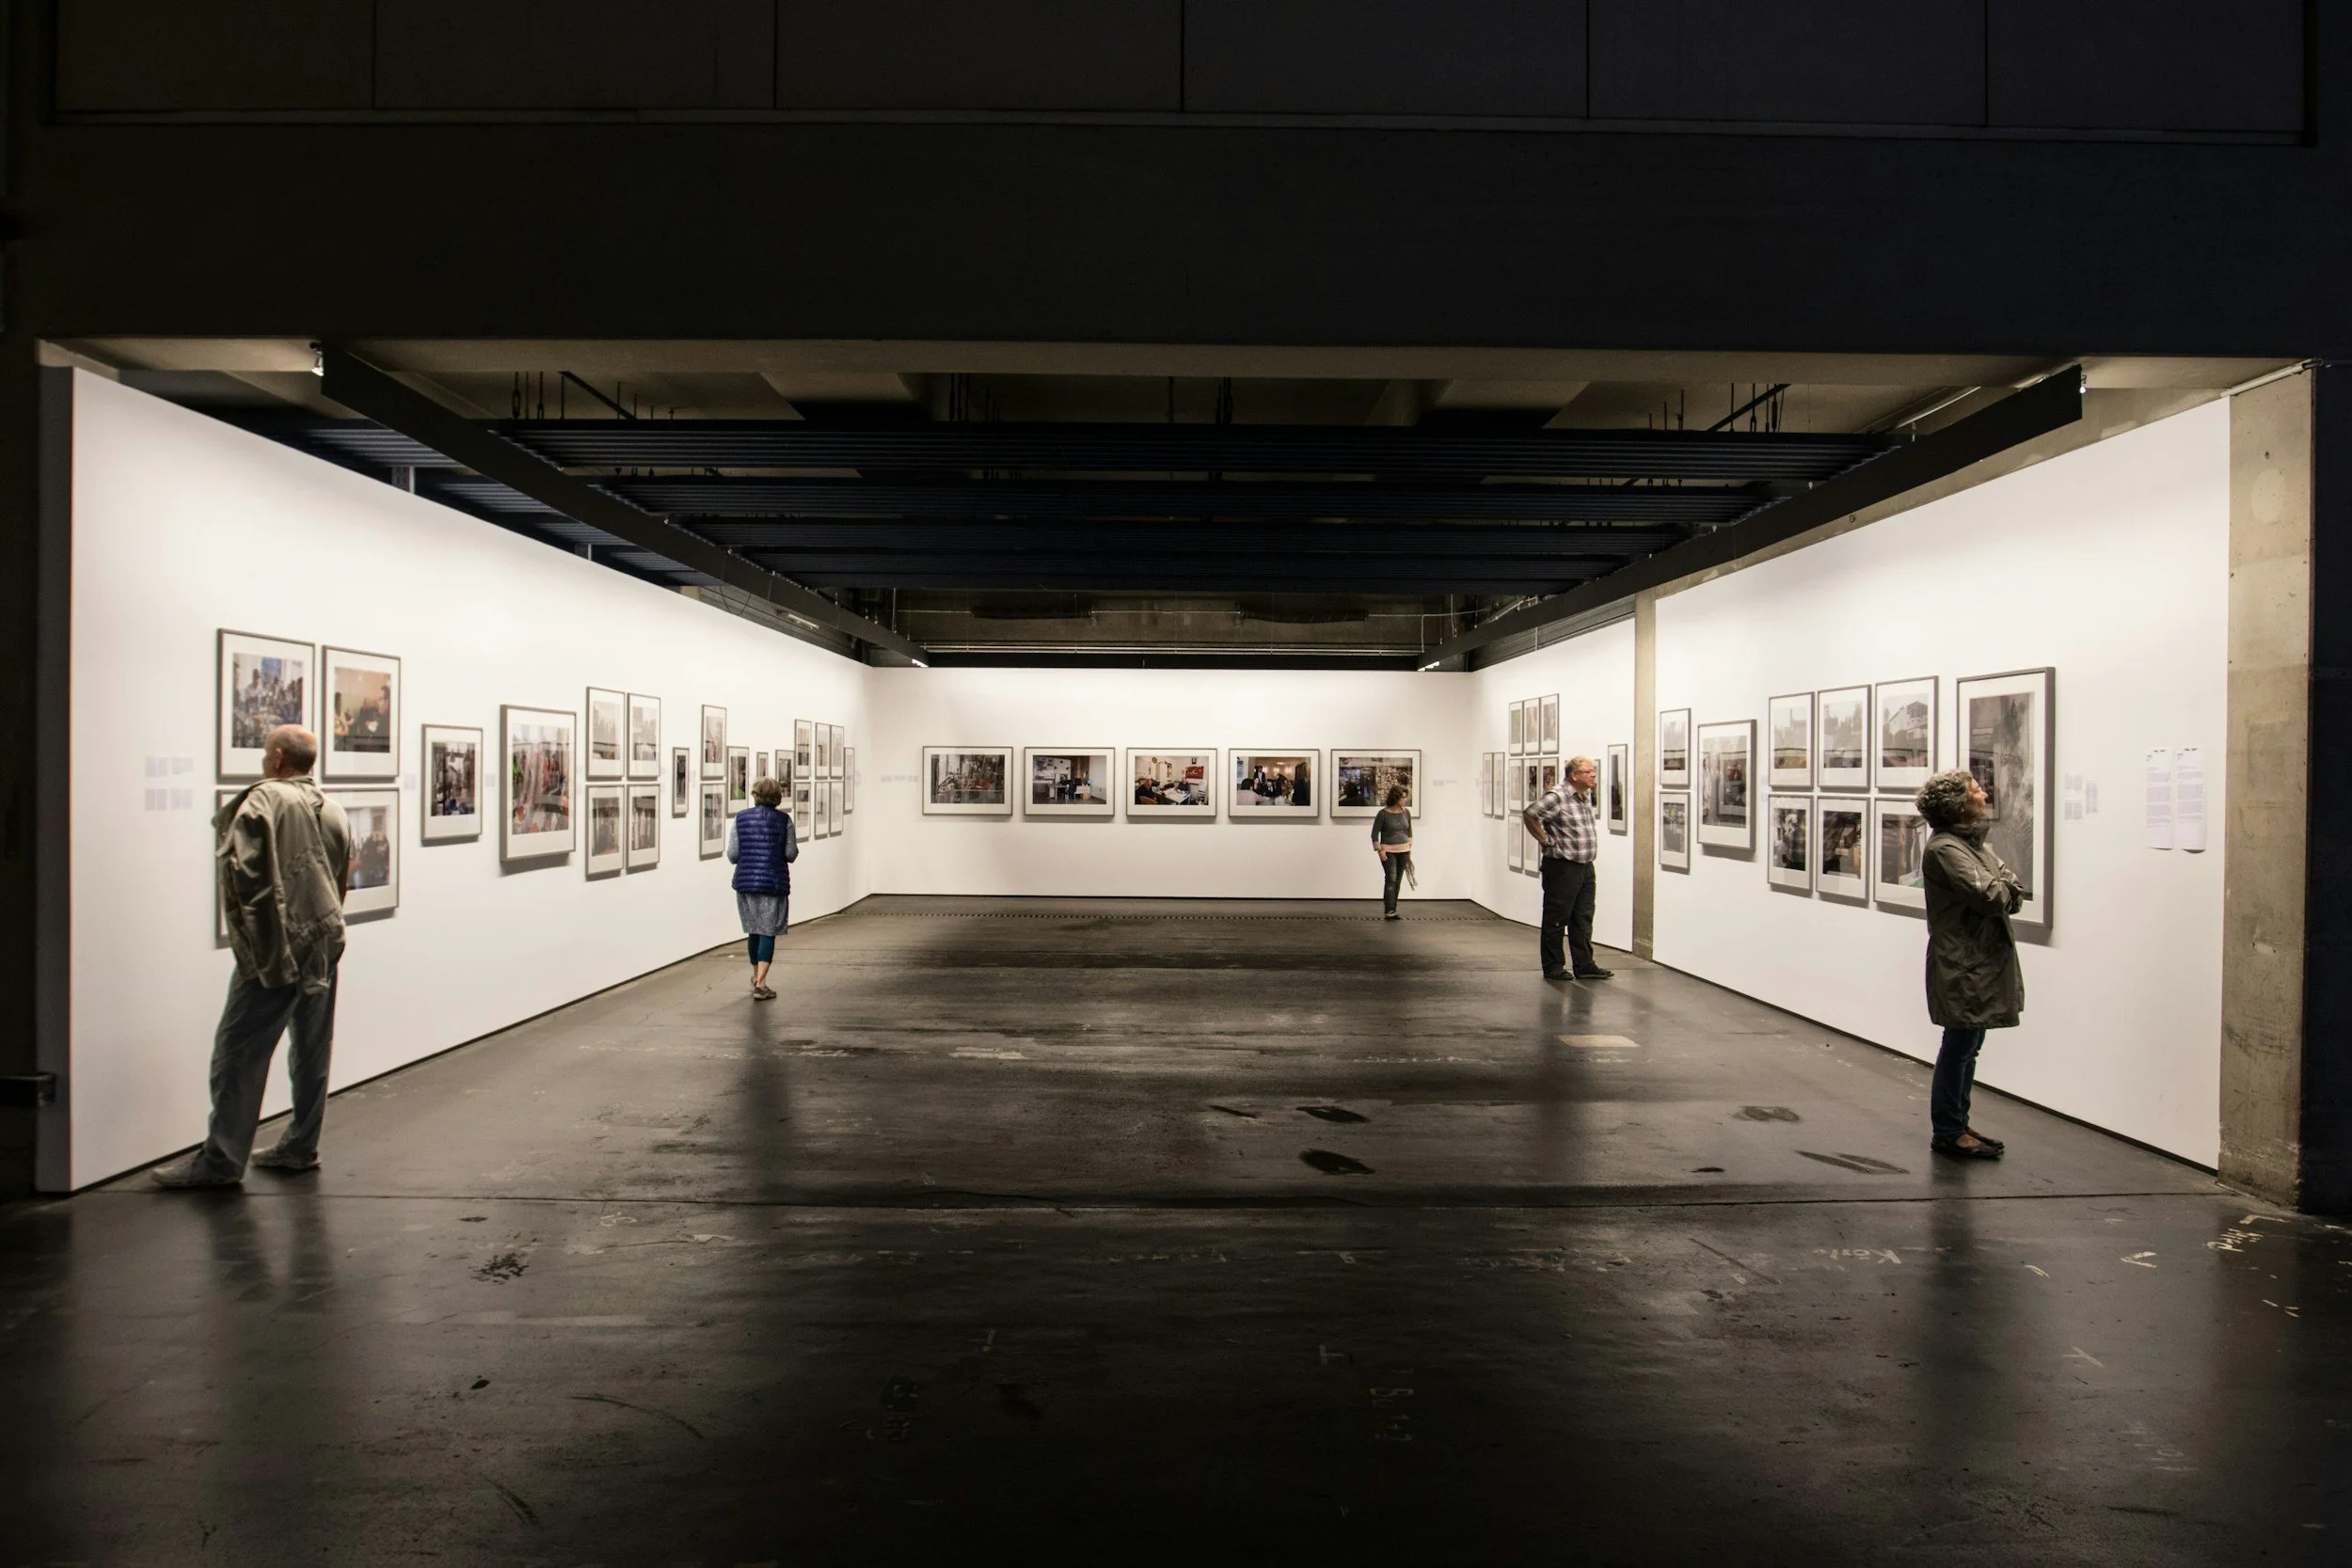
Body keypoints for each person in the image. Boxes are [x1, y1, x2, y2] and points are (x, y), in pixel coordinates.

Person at [151, 724, 352, 1187]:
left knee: (238, 1052)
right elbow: (340, 881)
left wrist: (264, 954)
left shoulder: (264, 800)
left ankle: (220, 1161)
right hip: (323, 940)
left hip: (278, 947)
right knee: (311, 1047)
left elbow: (251, 881)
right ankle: (301, 1145)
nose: (264, 759)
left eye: (266, 752)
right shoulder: (335, 810)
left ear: (279, 757)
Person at [1915, 768, 2024, 1160]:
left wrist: (2006, 888)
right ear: (1960, 806)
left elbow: (2010, 886)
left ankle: (1956, 1122)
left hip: (1975, 959)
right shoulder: (1946, 850)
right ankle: (1948, 1129)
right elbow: (1995, 895)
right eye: (1976, 789)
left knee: (1968, 1045)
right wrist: (2006, 888)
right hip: (1963, 962)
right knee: (1960, 1044)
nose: (1984, 792)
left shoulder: (1971, 844)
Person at [1521, 753, 1610, 982]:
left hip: (1585, 866)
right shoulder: (1557, 796)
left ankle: (1584, 965)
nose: (1593, 775)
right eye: (1588, 772)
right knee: (1557, 919)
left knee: (1583, 918)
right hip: (1562, 867)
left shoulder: (1584, 796)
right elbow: (1531, 814)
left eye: (1593, 772)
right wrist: (1545, 840)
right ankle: (1553, 966)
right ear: (1574, 775)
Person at [727, 775, 798, 1001]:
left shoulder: (741, 818)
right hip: (773, 882)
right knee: (768, 930)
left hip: (746, 883)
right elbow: (790, 853)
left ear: (755, 794)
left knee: (753, 930)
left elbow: (733, 854)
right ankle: (761, 983)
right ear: (777, 795)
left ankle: (755, 975)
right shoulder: (783, 820)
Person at [1370, 784, 1413, 920]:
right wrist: (1379, 850)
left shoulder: (1406, 813)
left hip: (1404, 851)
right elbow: (1374, 834)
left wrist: (1409, 846)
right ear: (1396, 798)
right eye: (1403, 798)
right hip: (1388, 851)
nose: (1405, 800)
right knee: (1391, 879)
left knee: (1397, 881)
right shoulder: (1382, 814)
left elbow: (1409, 831)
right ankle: (1389, 910)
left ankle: (1393, 909)